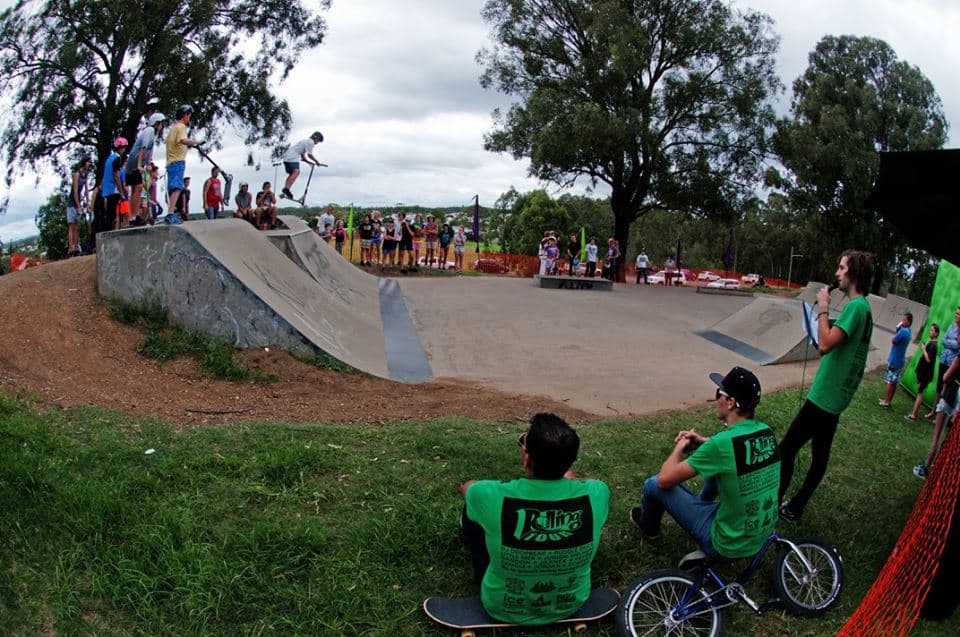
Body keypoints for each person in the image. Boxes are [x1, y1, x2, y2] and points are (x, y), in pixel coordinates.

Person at [458, 413, 609, 626]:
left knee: (471, 512)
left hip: (501, 605)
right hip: (571, 603)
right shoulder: (598, 492)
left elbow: (467, 488)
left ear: (527, 458)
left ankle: (482, 574)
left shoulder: (488, 494)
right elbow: (573, 479)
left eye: (523, 443)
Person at [630, 367, 779, 561]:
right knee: (719, 473)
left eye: (720, 393)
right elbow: (734, 450)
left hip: (727, 544)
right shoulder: (766, 432)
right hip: (760, 535)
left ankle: (649, 528)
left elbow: (665, 480)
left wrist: (680, 447)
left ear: (731, 402)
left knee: (653, 484)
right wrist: (702, 442)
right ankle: (700, 508)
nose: (716, 398)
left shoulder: (721, 445)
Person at [779, 250, 874, 522]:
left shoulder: (856, 307)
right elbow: (838, 339)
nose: (837, 273)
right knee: (820, 457)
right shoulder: (865, 310)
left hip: (824, 395)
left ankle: (775, 504)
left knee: (786, 449)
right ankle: (796, 506)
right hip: (837, 396)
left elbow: (825, 344)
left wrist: (822, 307)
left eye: (841, 268)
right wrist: (825, 323)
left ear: (853, 273)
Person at [914, 354, 960, 479]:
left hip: (950, 396)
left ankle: (926, 467)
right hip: (956, 402)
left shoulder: (959, 357)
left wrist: (947, 376)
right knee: (946, 436)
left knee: (937, 436)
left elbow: (946, 377)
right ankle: (935, 465)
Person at [126, 112, 166, 227]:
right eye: (161, 124)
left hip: (137, 163)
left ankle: (133, 216)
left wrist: (148, 162)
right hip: (134, 164)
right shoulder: (149, 130)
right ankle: (132, 216)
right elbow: (143, 148)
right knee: (138, 187)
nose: (162, 126)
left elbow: (150, 149)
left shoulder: (153, 135)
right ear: (156, 123)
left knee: (136, 189)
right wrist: (139, 165)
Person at [165, 105, 202, 218]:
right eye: (189, 115)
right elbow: (183, 140)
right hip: (177, 161)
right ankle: (170, 213)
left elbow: (174, 142)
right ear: (185, 115)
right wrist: (196, 142)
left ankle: (171, 212)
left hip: (171, 162)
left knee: (174, 188)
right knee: (177, 188)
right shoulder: (181, 127)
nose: (189, 118)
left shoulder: (173, 128)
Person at [925, 307, 960, 420]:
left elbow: (957, 346)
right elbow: (944, 340)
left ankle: (940, 414)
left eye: (959, 314)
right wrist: (951, 342)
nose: (956, 316)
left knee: (946, 388)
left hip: (951, 363)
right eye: (956, 313)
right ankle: (933, 411)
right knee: (939, 387)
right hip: (943, 360)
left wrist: (950, 342)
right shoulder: (951, 326)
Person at [97, 136, 128, 242]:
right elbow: (116, 176)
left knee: (110, 214)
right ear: (119, 148)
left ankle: (107, 234)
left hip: (107, 189)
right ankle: (107, 236)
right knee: (111, 214)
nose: (124, 150)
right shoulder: (116, 158)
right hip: (113, 189)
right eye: (123, 147)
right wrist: (121, 191)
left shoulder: (109, 159)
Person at [879, 313, 913, 407]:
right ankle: (889, 400)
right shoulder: (909, 331)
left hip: (895, 359)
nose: (902, 321)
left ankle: (886, 401)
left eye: (904, 320)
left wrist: (898, 329)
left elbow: (894, 340)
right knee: (894, 382)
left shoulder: (903, 331)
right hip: (900, 360)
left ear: (908, 321)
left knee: (889, 381)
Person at [907, 323, 940, 421]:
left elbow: (928, 359)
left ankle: (914, 415)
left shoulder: (934, 345)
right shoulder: (932, 343)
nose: (930, 332)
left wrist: (923, 349)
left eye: (932, 330)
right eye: (930, 330)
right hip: (923, 373)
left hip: (925, 374)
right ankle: (914, 413)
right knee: (919, 392)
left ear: (936, 333)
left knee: (920, 393)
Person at [281, 131, 323, 200]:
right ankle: (286, 189)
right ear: (316, 138)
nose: (317, 143)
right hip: (292, 157)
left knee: (292, 174)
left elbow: (303, 155)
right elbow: (309, 155)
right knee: (296, 172)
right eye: (318, 141)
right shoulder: (310, 142)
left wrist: (307, 162)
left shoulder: (306, 141)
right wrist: (317, 162)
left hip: (288, 157)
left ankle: (286, 189)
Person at [66, 158, 92, 257]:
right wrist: (78, 206)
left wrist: (88, 202)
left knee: (77, 226)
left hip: (79, 201)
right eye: (88, 162)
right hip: (72, 202)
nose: (89, 164)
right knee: (72, 225)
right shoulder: (77, 174)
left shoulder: (85, 175)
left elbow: (86, 190)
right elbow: (75, 191)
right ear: (84, 163)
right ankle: (71, 247)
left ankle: (76, 246)